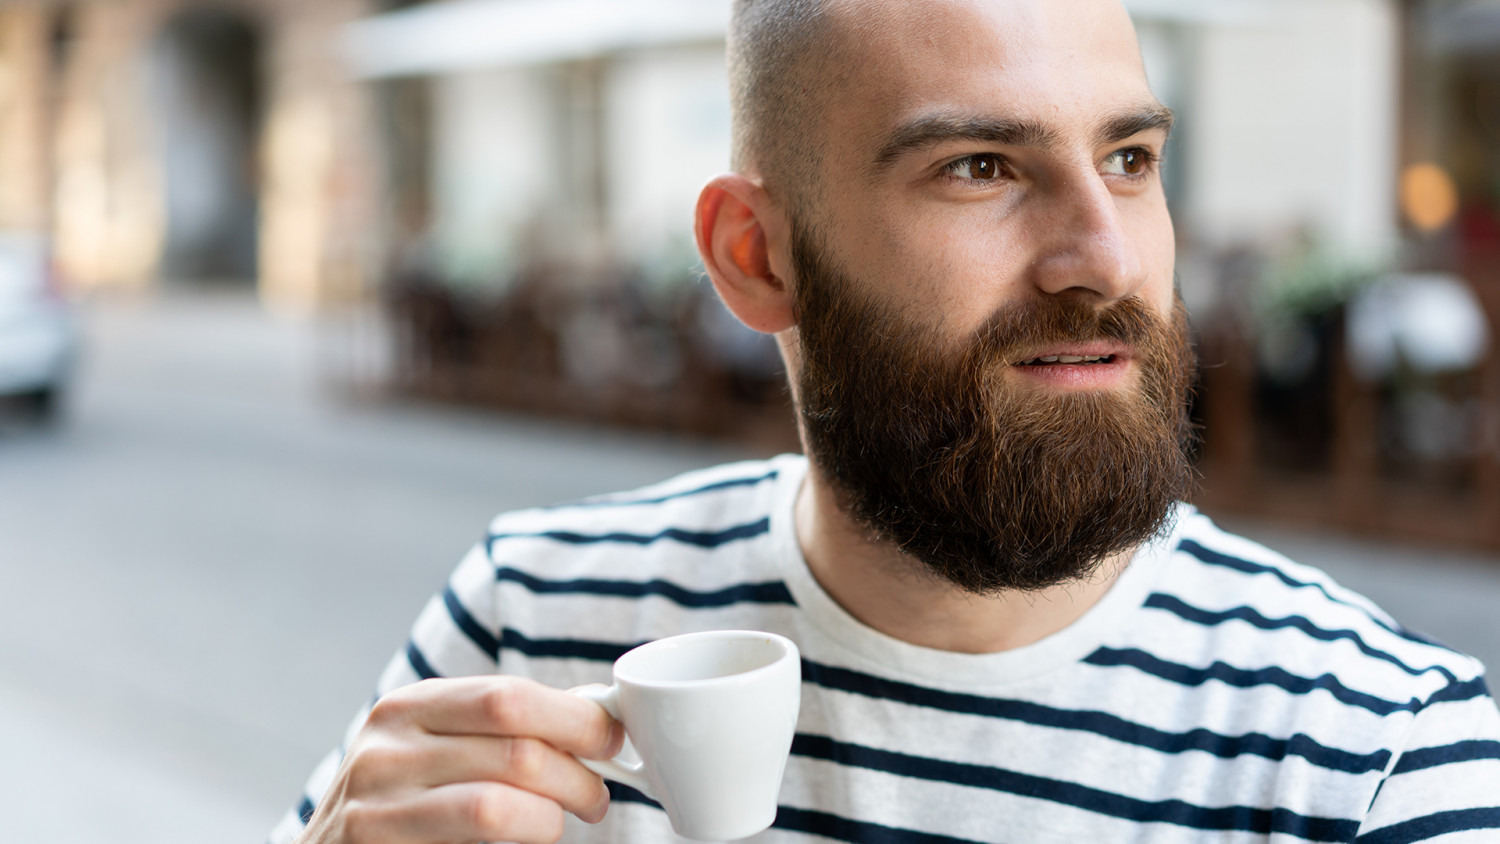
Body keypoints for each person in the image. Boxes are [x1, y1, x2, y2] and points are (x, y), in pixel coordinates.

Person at [272, 0, 1500, 841]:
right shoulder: (527, 617)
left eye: (1130, 157)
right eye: (981, 167)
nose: (1104, 257)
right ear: (756, 257)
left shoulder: (1381, 758)